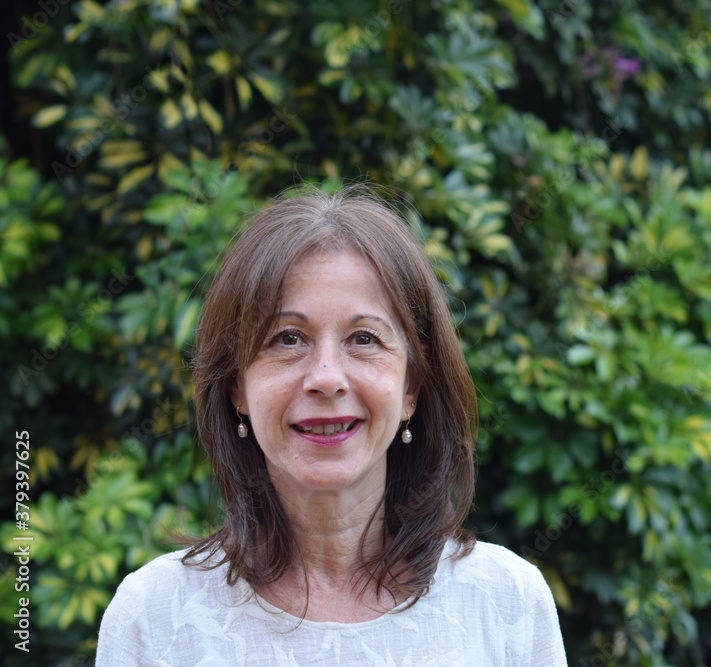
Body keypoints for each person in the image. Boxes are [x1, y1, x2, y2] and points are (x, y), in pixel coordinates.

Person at [95, 185, 567, 666]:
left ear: (411, 386)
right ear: (236, 386)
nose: (326, 378)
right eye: (288, 338)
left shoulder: (507, 605)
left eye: (363, 338)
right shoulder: (154, 619)